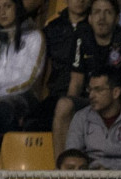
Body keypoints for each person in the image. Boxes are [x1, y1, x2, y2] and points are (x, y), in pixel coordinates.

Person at [53, 0, 121, 160]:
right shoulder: (81, 38)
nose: (101, 18)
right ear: (89, 18)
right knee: (63, 105)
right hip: (92, 100)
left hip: (120, 101)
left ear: (117, 18)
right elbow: (76, 82)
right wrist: (72, 109)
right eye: (96, 12)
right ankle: (62, 171)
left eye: (108, 12)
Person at [0, 0, 47, 133]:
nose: (2, 12)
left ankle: (5, 150)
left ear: (17, 8)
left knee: (3, 107)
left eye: (7, 6)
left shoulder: (34, 37)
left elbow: (28, 80)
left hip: (22, 95)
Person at [65, 68, 121, 169]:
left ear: (116, 92)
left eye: (98, 90)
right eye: (90, 89)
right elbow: (72, 154)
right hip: (91, 176)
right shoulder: (81, 117)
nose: (91, 95)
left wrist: (106, 166)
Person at [34, 0, 91, 130]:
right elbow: (41, 71)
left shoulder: (98, 26)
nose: (80, 1)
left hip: (89, 96)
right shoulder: (52, 29)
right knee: (33, 122)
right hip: (56, 95)